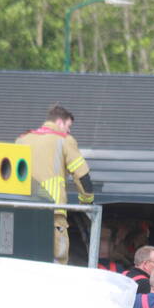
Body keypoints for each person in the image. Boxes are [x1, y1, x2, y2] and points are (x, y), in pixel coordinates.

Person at [16, 104, 94, 264]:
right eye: (68, 126)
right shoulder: (64, 140)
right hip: (53, 213)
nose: (69, 131)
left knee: (25, 260)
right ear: (59, 122)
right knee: (57, 262)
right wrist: (86, 202)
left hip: (22, 210)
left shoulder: (22, 139)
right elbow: (82, 176)